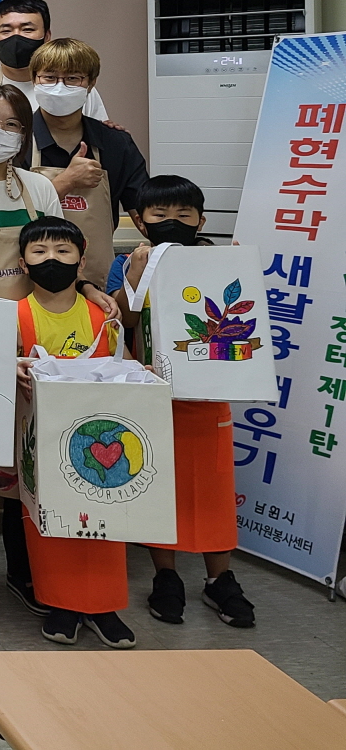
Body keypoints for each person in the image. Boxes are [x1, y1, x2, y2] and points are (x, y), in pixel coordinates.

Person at [0, 83, 119, 622]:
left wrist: (88, 289)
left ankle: (25, 569)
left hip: (36, 338)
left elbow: (58, 247)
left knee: (25, 456)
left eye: (12, 124)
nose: (0, 132)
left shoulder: (37, 186)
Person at [113, 176, 256, 630]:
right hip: (155, 395)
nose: (171, 221)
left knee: (214, 490)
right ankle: (166, 575)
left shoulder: (219, 260)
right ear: (140, 221)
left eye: (183, 214)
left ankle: (220, 578)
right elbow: (123, 318)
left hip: (209, 398)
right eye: (159, 214)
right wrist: (134, 275)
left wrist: (241, 269)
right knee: (159, 485)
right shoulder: (128, 262)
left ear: (201, 220)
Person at [13, 217, 136, 649]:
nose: (52, 259)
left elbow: (123, 364)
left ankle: (104, 604)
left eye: (63, 251)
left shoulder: (103, 314)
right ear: (23, 263)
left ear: (81, 261)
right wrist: (12, 368)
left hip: (101, 436)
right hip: (42, 439)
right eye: (39, 251)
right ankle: (60, 602)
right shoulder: (15, 315)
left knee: (106, 517)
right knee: (49, 520)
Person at [26, 38, 149, 288]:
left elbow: (146, 215)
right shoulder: (16, 141)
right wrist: (66, 181)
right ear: (34, 80)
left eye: (72, 78)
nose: (60, 87)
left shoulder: (116, 144)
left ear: (91, 83)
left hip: (98, 284)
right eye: (49, 77)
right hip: (28, 284)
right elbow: (4, 216)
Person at [0, 0, 108, 169]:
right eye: (6, 30)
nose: (16, 37)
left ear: (47, 36)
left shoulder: (73, 89)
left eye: (27, 29)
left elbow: (101, 140)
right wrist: (12, 161)